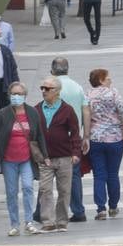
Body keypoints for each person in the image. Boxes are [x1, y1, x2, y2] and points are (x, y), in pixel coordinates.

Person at [0, 81, 46, 237]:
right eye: (13, 94)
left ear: (25, 96)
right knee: (11, 192)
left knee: (28, 187)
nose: (16, 97)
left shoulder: (32, 113)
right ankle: (14, 224)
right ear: (9, 95)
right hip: (8, 160)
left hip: (26, 158)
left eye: (19, 94)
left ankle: (29, 222)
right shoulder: (3, 113)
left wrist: (45, 156)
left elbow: (39, 135)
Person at [35, 77, 82, 232]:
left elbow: (75, 133)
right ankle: (48, 222)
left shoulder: (67, 110)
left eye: (47, 89)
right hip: (45, 158)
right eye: (42, 88)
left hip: (64, 157)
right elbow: (32, 134)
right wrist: (38, 155)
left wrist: (75, 153)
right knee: (45, 190)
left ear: (56, 91)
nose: (43, 91)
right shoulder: (36, 109)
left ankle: (61, 221)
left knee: (64, 190)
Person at [50, 57, 92, 223]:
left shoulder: (51, 87)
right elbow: (86, 111)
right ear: (67, 69)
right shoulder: (77, 87)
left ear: (52, 70)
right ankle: (78, 210)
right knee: (74, 175)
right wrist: (86, 136)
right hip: (73, 136)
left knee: (49, 173)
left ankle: (47, 211)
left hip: (54, 137)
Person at [86, 69, 123, 220]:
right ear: (101, 80)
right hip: (115, 138)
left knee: (99, 175)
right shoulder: (114, 93)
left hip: (96, 138)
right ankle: (114, 206)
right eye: (107, 77)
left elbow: (86, 114)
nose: (110, 79)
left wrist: (86, 135)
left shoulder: (88, 95)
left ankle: (100, 208)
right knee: (113, 174)